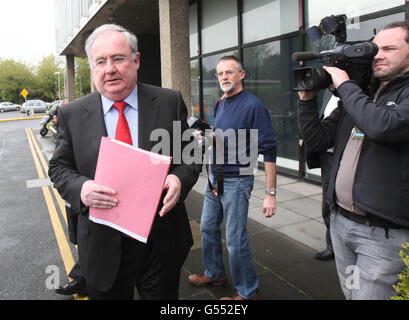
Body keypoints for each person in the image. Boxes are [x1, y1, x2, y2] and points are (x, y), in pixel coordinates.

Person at [48, 24, 201, 300]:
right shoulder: (71, 114)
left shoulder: (169, 102)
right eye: (101, 61)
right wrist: (81, 188)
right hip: (101, 248)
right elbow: (58, 168)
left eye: (118, 58)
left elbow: (190, 156)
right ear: (92, 68)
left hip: (161, 244)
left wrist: (179, 178)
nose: (110, 69)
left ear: (136, 60)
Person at [297, 21, 409, 299]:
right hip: (341, 224)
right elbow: (318, 140)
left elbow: (382, 126)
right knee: (351, 295)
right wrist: (307, 100)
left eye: (389, 48)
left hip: (382, 234)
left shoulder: (391, 95)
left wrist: (346, 86)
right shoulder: (363, 96)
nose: (378, 55)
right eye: (375, 48)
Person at [188, 55, 278, 300]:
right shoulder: (221, 102)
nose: (224, 77)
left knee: (235, 240)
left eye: (229, 72)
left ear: (241, 74)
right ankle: (215, 272)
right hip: (215, 178)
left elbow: (269, 149)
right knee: (207, 227)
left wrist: (270, 194)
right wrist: (206, 136)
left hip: (237, 180)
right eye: (220, 74)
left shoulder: (254, 106)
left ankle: (249, 291)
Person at [306, 89, 337, 261]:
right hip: (327, 155)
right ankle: (331, 246)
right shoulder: (327, 93)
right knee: (327, 203)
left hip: (344, 156)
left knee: (338, 203)